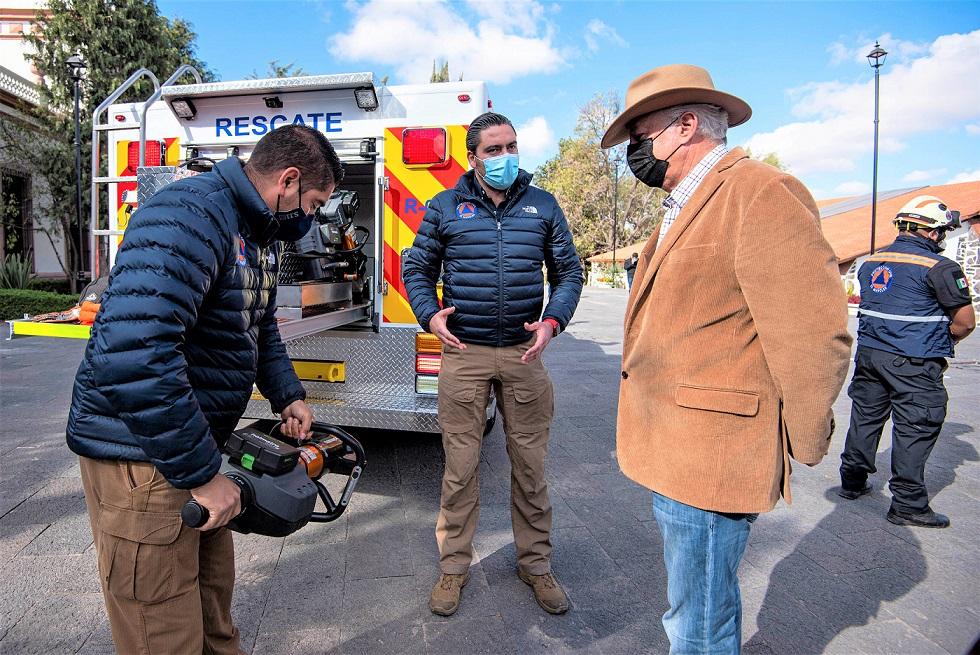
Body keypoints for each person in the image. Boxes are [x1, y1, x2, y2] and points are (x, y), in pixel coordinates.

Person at [601, 64, 851, 653]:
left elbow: (813, 333)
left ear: (686, 125)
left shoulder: (760, 191)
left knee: (698, 626)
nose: (634, 152)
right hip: (683, 447)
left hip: (714, 455)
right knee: (692, 611)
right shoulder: (684, 202)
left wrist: (805, 436)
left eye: (640, 135)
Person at [65, 124, 342, 654]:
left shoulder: (252, 233)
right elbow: (136, 353)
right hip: (144, 457)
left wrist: (288, 392)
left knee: (213, 607)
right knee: (162, 628)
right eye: (313, 203)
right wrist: (200, 474)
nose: (311, 218)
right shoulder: (189, 215)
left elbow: (257, 324)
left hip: (192, 446)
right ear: (287, 180)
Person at [402, 112, 583, 617]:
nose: (506, 157)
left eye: (512, 146)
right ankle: (453, 568)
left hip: (525, 355)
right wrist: (428, 314)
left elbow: (569, 271)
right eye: (495, 150)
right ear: (473, 157)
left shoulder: (542, 205)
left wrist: (553, 322)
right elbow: (417, 266)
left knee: (531, 468)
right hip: (464, 353)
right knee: (460, 470)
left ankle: (536, 564)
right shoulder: (445, 206)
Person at [838, 196, 974, 527]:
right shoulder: (941, 268)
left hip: (870, 356)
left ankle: (852, 481)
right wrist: (945, 339)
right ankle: (908, 504)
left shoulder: (872, 261)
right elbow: (965, 322)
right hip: (914, 362)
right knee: (916, 426)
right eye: (943, 231)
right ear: (932, 233)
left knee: (866, 418)